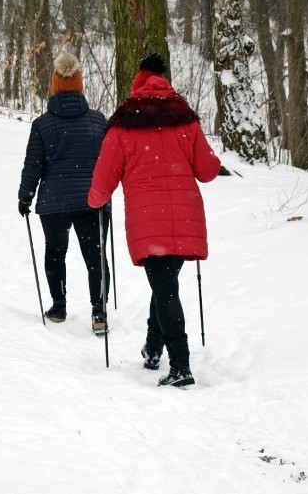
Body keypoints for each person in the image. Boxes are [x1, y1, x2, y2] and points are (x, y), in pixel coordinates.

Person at [88, 53, 220, 387]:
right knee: (165, 286)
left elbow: (104, 178)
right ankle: (152, 348)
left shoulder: (124, 123)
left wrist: (95, 200)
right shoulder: (184, 118)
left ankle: (181, 366)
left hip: (149, 220)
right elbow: (207, 171)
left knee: (165, 290)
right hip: (185, 215)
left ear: (137, 83)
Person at [18, 52, 110, 333]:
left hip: (54, 202)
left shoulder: (42, 125)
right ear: (80, 86)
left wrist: (25, 196)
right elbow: (108, 163)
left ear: (54, 87)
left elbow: (33, 164)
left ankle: (58, 307)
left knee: (55, 252)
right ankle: (99, 312)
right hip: (92, 201)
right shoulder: (97, 121)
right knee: (95, 257)